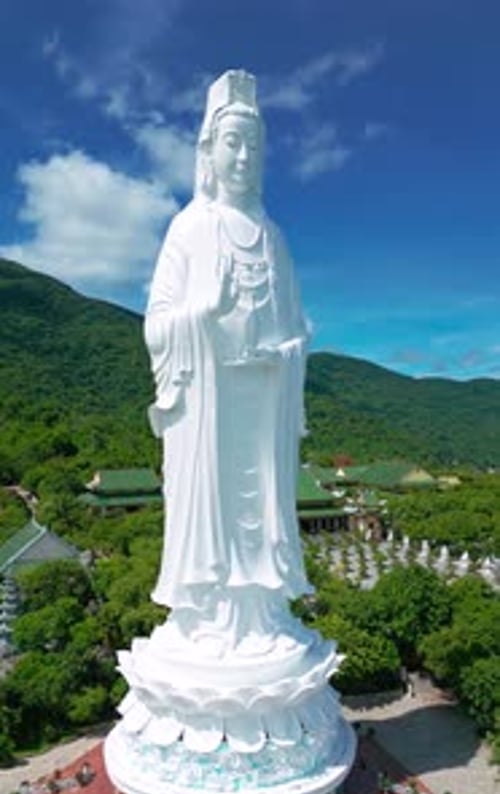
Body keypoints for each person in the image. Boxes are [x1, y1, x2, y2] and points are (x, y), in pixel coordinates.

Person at [144, 70, 312, 651]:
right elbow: (155, 325)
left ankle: (263, 614)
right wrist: (203, 313)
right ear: (208, 152)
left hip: (263, 402)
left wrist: (286, 353)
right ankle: (206, 618)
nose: (243, 157)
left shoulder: (274, 238)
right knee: (208, 507)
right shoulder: (189, 229)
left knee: (265, 505)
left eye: (253, 146)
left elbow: (298, 329)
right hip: (206, 405)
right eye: (232, 143)